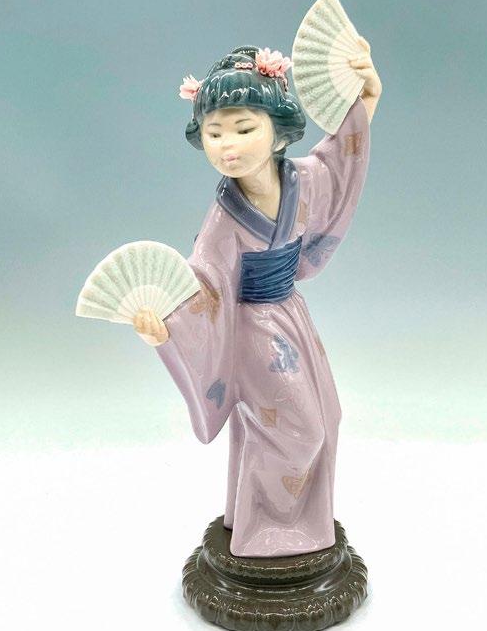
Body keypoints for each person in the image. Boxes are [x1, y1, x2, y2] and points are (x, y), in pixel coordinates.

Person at [133, 44, 381, 557]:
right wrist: (167, 327)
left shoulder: (304, 180)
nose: (228, 145)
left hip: (292, 316)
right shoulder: (223, 220)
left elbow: (341, 157)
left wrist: (366, 97)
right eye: (214, 133)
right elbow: (203, 287)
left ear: (278, 131)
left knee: (327, 417)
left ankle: (285, 524)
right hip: (251, 332)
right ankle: (267, 530)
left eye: (244, 129)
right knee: (299, 430)